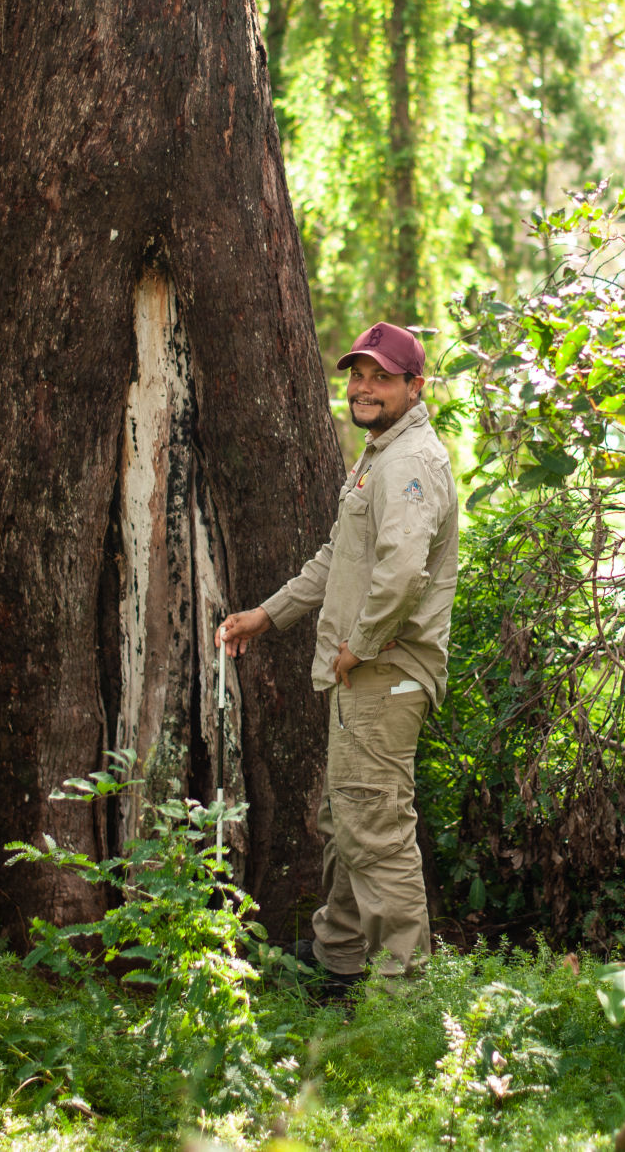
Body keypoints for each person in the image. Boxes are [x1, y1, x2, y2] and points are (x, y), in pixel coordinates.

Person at [214, 321, 459, 987]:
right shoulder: (380, 454)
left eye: (382, 376)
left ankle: (403, 996)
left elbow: (404, 572)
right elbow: (337, 558)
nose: (365, 387)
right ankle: (341, 961)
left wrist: (360, 644)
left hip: (386, 674)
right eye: (357, 374)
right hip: (365, 672)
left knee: (374, 826)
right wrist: (267, 615)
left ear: (415, 385)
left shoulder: (408, 462)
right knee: (348, 816)